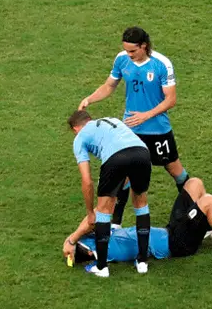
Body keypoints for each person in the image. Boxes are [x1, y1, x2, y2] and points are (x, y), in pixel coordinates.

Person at [78, 27, 189, 225]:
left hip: (157, 129)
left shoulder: (161, 64)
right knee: (125, 177)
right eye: (126, 50)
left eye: (132, 51)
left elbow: (170, 99)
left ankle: (196, 210)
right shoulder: (121, 59)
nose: (128, 55)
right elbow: (109, 86)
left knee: (175, 171)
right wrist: (90, 99)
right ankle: (115, 224)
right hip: (130, 131)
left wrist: (145, 115)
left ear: (143, 46)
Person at [63, 177, 212, 266]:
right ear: (89, 250)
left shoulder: (92, 243)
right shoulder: (107, 251)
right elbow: (93, 219)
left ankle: (209, 228)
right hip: (178, 244)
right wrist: (72, 241)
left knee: (193, 184)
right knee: (208, 202)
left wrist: (72, 242)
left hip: (170, 231)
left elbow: (88, 229)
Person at [67, 110, 153, 277]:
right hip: (142, 152)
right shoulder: (111, 120)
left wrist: (90, 212)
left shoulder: (79, 138)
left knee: (104, 210)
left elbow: (87, 181)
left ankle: (101, 267)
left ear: (75, 128)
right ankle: (142, 261)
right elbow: (129, 151)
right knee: (141, 203)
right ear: (90, 119)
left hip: (115, 158)